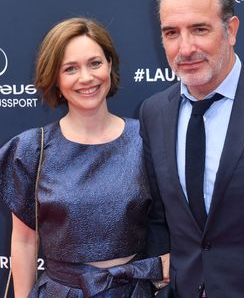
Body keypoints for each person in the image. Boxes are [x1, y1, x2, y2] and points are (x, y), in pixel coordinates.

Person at [139, 0, 244, 297]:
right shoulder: (154, 112)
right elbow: (159, 216)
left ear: (231, 30)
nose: (185, 49)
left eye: (199, 29)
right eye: (171, 33)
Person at [0, 17, 169, 297]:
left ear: (110, 65)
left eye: (95, 63)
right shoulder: (32, 149)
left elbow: (169, 219)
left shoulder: (145, 139)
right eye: (70, 69)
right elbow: (25, 241)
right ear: (55, 77)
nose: (86, 78)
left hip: (132, 292)